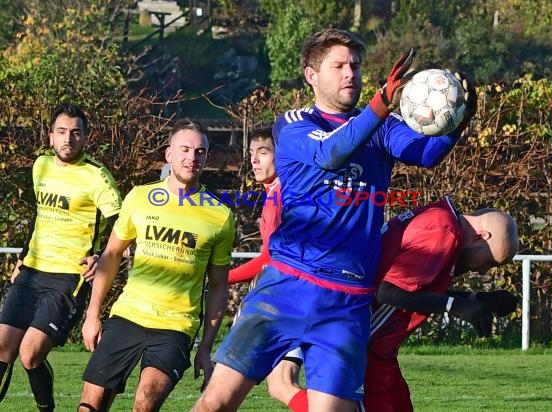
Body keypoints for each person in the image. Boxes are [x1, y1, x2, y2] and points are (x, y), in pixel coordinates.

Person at [192, 28, 477, 411]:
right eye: (339, 65)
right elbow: (331, 153)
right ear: (312, 75)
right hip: (286, 289)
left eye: (356, 66)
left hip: (347, 304)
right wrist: (379, 106)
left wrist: (457, 120)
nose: (350, 74)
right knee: (216, 404)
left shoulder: (380, 128)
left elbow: (425, 154)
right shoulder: (293, 124)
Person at [282, 197, 520, 412]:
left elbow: (417, 288)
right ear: (482, 236)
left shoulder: (441, 218)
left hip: (379, 352)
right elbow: (390, 292)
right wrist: (456, 307)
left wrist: (476, 299)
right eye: (489, 262)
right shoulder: (444, 231)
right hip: (362, 345)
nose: (482, 270)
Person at [78, 118, 235, 412]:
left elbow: (217, 287)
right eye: (185, 149)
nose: (192, 158)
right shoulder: (139, 197)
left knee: (145, 404)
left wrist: (205, 348)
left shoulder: (221, 216)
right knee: (89, 406)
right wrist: (92, 315)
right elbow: (111, 256)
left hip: (176, 327)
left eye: (200, 152)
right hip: (127, 316)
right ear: (169, 154)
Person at [0, 103, 122, 411]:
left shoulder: (98, 177)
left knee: (30, 354)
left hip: (68, 278)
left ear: (86, 137)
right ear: (51, 136)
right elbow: (41, 217)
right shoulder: (40, 165)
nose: (68, 139)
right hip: (31, 272)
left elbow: (124, 227)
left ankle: (46, 408)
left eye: (76, 133)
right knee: (2, 347)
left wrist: (101, 257)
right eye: (62, 132)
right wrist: (23, 256)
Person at [227, 126, 303, 409]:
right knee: (280, 385)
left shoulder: (282, 196)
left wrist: (221, 276)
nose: (254, 160)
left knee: (224, 385)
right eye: (251, 153)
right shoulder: (275, 193)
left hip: (283, 301)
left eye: (263, 152)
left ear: (279, 156)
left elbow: (269, 259)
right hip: (284, 298)